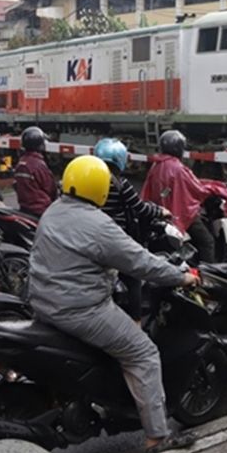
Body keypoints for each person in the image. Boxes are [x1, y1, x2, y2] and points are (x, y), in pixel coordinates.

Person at [28, 155, 198, 453]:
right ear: (100, 188)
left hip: (43, 303)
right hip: (81, 310)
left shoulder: (53, 211)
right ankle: (158, 437)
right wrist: (181, 278)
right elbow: (140, 262)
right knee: (143, 353)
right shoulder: (98, 224)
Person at [94, 137, 170, 322]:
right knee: (133, 276)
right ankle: (136, 322)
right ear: (120, 160)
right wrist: (160, 211)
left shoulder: (92, 181)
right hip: (116, 236)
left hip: (94, 235)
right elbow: (140, 208)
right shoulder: (121, 183)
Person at [141, 130, 218, 262]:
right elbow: (198, 189)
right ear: (179, 148)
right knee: (207, 242)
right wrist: (215, 188)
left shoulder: (155, 165)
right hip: (179, 214)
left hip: (159, 214)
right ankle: (208, 274)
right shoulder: (179, 168)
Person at [13, 126, 57, 217]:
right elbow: (51, 189)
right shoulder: (38, 165)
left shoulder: (20, 163)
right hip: (42, 211)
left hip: (24, 208)